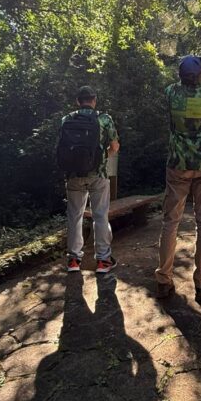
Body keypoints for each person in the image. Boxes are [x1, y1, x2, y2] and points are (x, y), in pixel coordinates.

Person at [156, 55, 201, 302]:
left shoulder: (172, 92)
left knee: (170, 222)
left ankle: (164, 279)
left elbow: (179, 87)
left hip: (177, 166)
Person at [59, 85, 119, 274]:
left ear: (78, 101)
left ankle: (74, 260)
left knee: (74, 217)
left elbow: (62, 148)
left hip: (73, 175)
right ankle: (103, 261)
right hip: (98, 175)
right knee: (100, 216)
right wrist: (102, 159)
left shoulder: (66, 119)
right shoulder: (104, 119)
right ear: (94, 100)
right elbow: (115, 146)